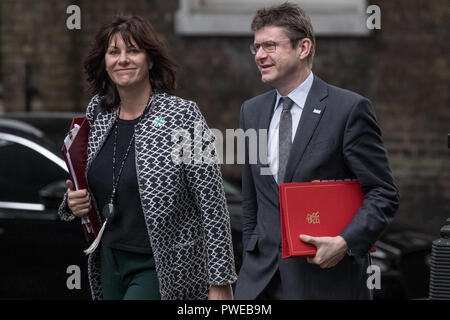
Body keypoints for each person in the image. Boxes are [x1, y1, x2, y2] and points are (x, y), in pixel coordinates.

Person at [58, 15, 236, 300]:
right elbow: (86, 181)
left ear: (150, 60)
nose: (123, 59)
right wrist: (71, 203)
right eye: (114, 52)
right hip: (109, 260)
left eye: (133, 50)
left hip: (162, 266)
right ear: (104, 61)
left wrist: (221, 279)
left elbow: (212, 203)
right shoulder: (97, 113)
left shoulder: (183, 115)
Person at [234, 3, 399, 299]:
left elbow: (383, 193)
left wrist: (345, 242)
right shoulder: (251, 112)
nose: (259, 55)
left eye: (270, 46)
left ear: (303, 47)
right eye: (256, 47)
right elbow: (252, 202)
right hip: (260, 282)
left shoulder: (348, 109)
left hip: (325, 281)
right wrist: (250, 259)